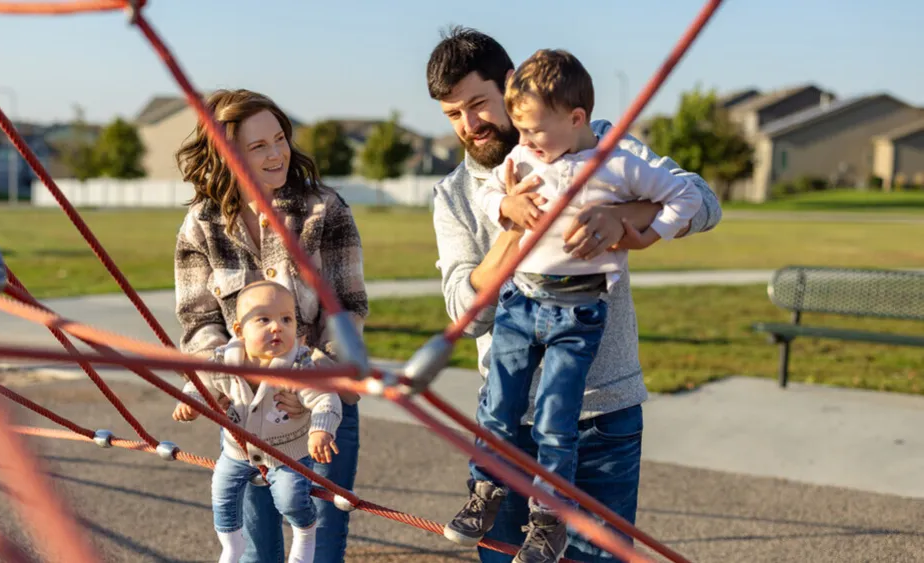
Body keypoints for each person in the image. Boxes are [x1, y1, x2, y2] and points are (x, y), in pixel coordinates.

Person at [425, 27, 722, 562]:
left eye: (477, 105)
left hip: (603, 414)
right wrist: (518, 227)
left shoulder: (600, 144)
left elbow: (703, 201)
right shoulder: (454, 195)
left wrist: (624, 216)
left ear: (512, 88)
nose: (469, 126)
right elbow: (466, 316)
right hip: (510, 426)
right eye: (452, 115)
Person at [173, 89, 367, 563]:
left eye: (279, 138)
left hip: (322, 406)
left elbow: (348, 307)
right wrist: (222, 380)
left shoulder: (325, 210)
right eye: (258, 146)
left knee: (320, 548)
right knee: (258, 552)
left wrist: (310, 382)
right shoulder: (201, 226)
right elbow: (199, 321)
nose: (277, 153)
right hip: (246, 413)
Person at [173, 280, 343, 563]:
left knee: (290, 498)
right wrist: (190, 403)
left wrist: (320, 431)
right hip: (237, 451)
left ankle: (305, 534)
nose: (277, 327)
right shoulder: (224, 360)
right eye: (264, 319)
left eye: (286, 319)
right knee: (221, 490)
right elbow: (201, 385)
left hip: (287, 454)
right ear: (239, 330)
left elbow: (326, 399)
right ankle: (231, 546)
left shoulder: (299, 367)